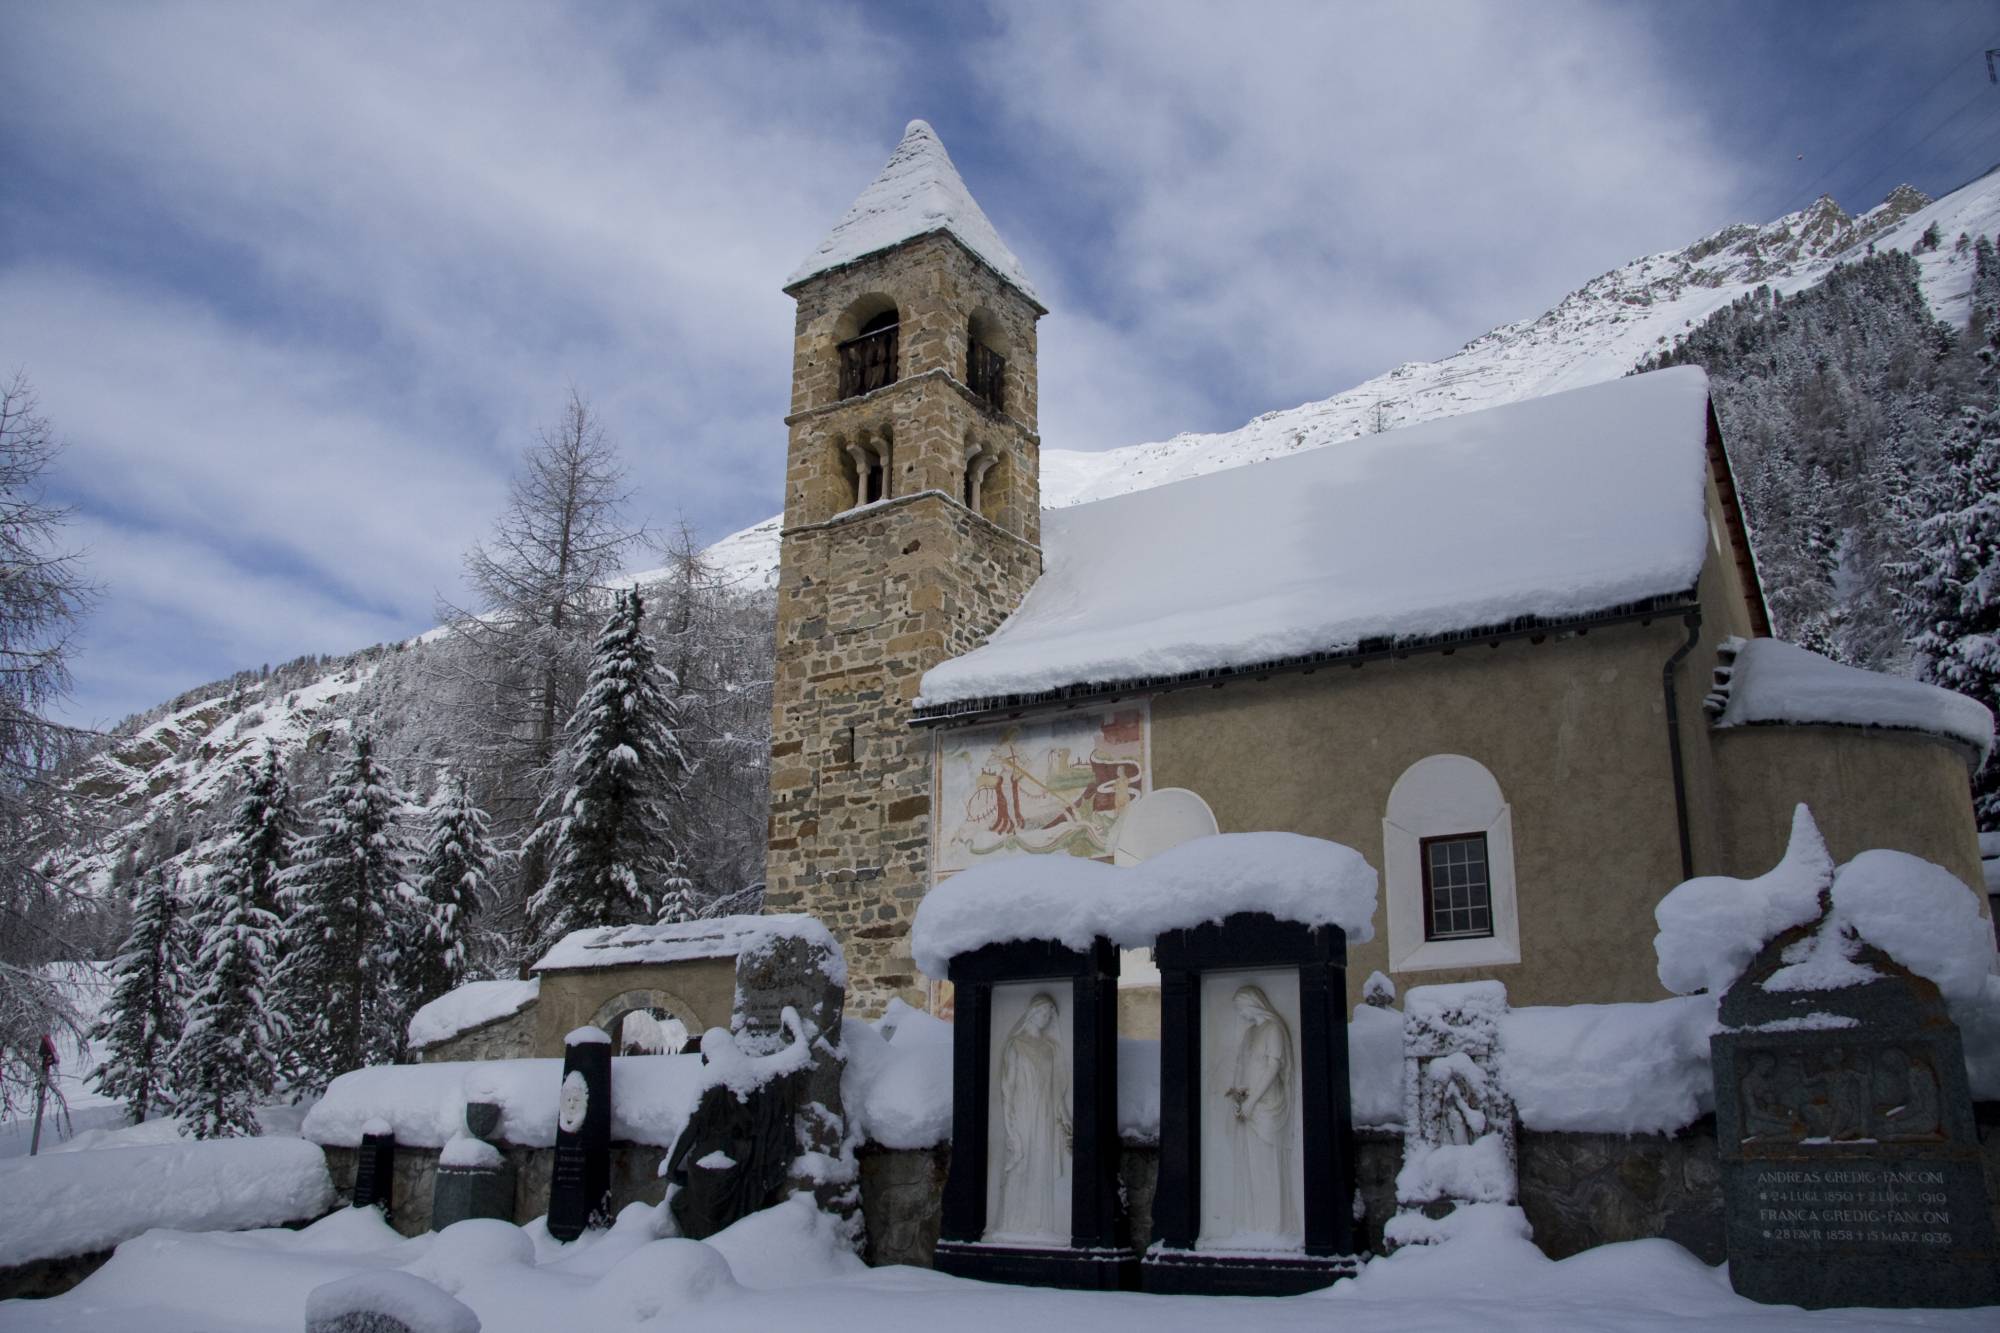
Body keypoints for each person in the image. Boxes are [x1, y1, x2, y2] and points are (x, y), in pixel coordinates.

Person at [1221, 984, 1299, 1242]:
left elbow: (1273, 1068)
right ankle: (1255, 1224)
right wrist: (1239, 1097)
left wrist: (1253, 1101)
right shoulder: (1250, 1032)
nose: (1239, 1012)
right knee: (1252, 1166)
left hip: (1268, 1106)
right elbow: (1243, 1069)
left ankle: (1274, 1224)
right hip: (1249, 1106)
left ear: (1253, 1003)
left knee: (1267, 1165)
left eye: (1241, 1007)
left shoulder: (1273, 1028)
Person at [992, 992, 1072, 1239]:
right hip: (1024, 1112)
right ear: (1032, 1013)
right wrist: (1010, 1124)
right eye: (1043, 1012)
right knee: (1023, 1162)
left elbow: (1057, 1088)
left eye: (1050, 1014)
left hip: (1045, 1114)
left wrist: (1063, 1117)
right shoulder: (1016, 1045)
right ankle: (1015, 1224)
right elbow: (1008, 1088)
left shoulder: (1051, 1048)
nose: (1046, 1017)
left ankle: (1040, 1224)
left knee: (1042, 1163)